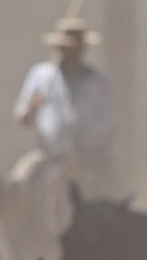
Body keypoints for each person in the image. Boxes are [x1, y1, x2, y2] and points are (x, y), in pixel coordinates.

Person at [12, 17, 120, 196]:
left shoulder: (99, 81)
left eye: (74, 48)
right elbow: (22, 118)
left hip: (89, 157)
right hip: (47, 156)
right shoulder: (40, 76)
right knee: (18, 182)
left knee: (114, 191)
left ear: (83, 49)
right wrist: (32, 107)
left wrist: (85, 143)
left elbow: (108, 122)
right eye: (65, 48)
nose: (69, 52)